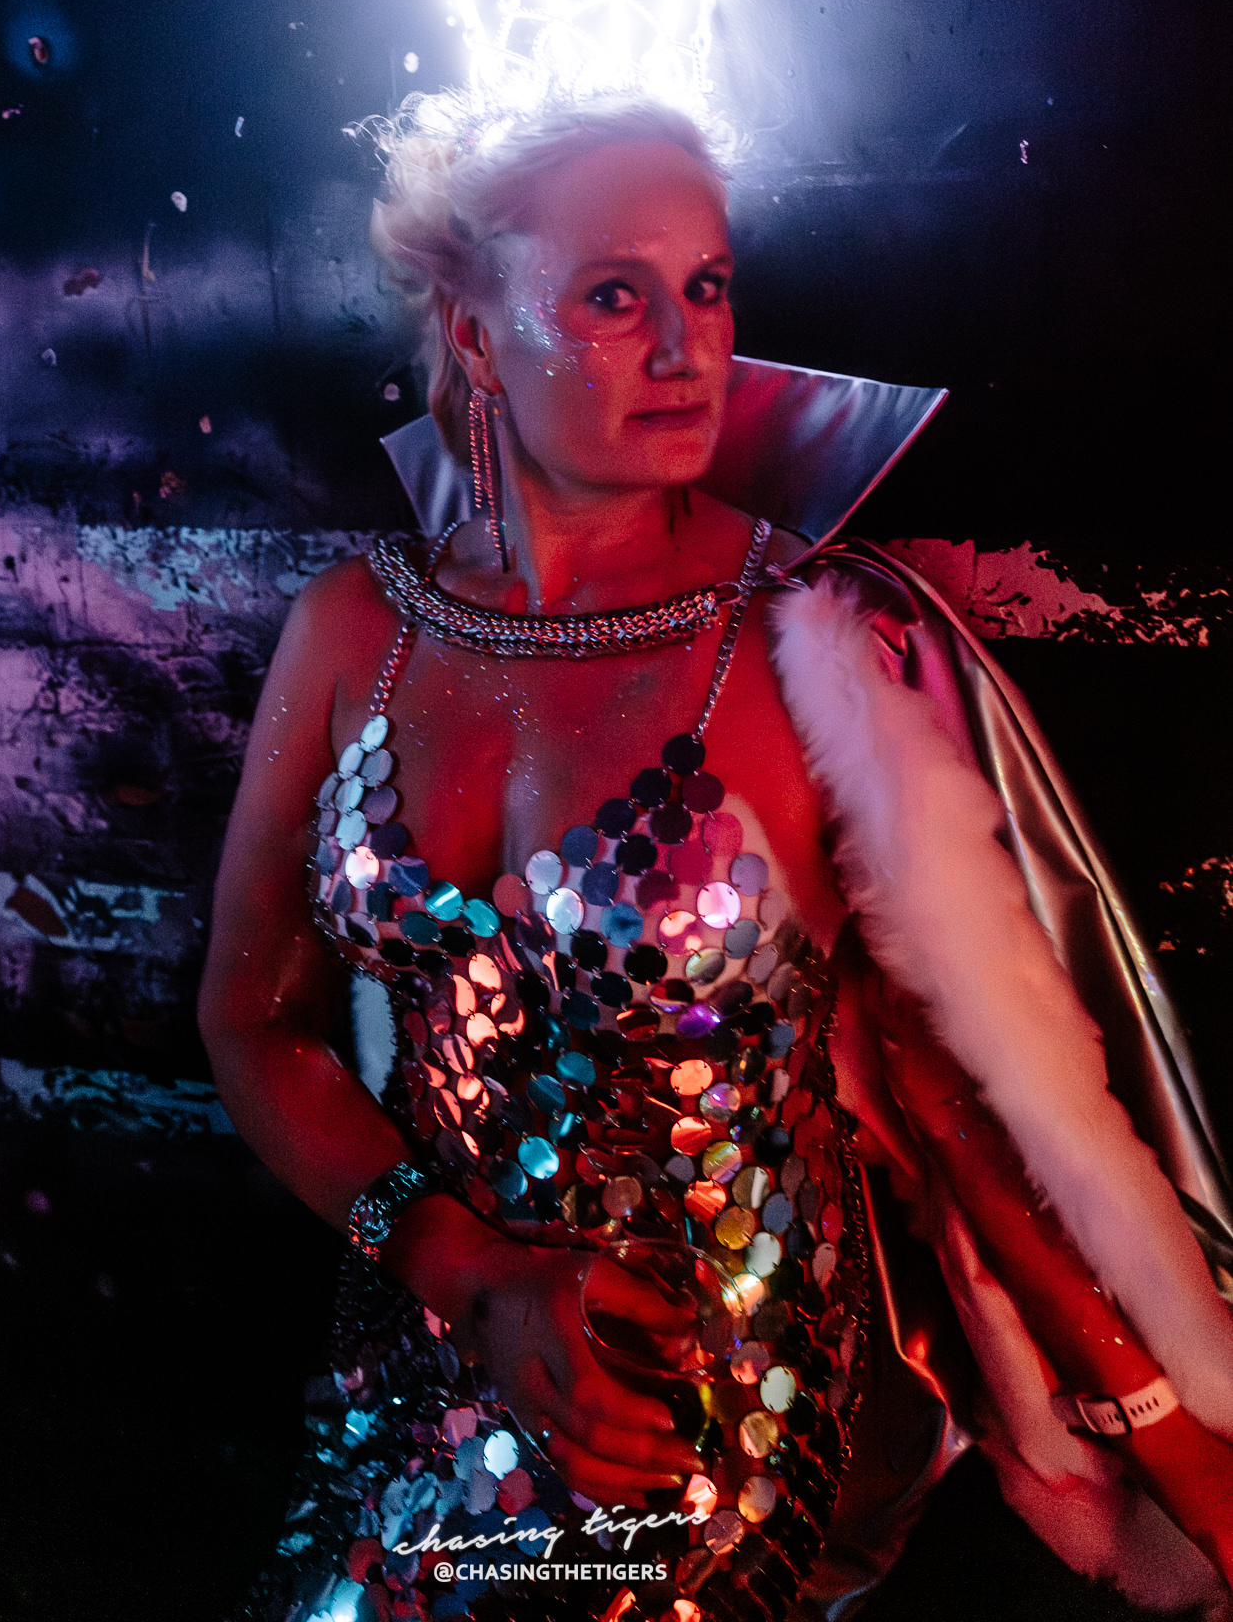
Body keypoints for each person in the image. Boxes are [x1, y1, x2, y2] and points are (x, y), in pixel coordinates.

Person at [199, 96, 1233, 1622]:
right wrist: (461, 1270)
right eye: (614, 297)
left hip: (711, 1402)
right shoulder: (355, 628)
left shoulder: (808, 641)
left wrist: (1173, 1439)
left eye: (705, 286)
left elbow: (960, 1091)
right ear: (476, 334)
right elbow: (252, 1016)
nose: (687, 347)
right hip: (414, 1351)